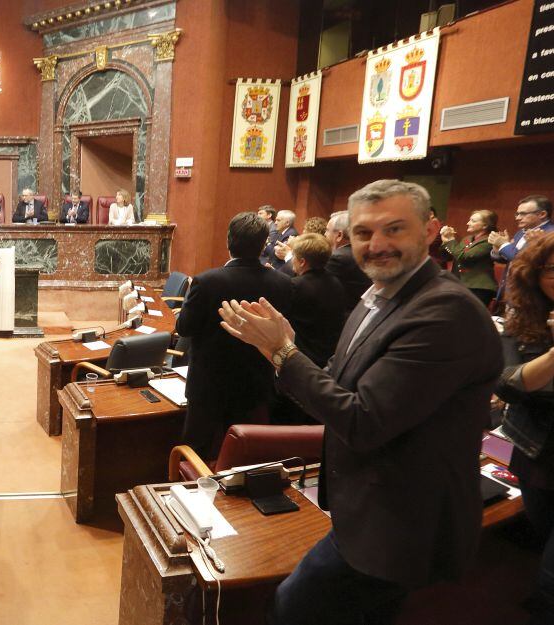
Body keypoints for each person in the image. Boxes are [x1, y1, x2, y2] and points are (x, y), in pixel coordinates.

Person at [218, 179, 503, 624]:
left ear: (430, 231)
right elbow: (338, 381)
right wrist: (289, 346)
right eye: (364, 232)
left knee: (293, 607)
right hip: (367, 506)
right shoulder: (379, 295)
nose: (377, 244)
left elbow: (363, 420)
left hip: (402, 521)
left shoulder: (445, 310)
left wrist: (281, 352)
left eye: (394, 229)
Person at [176, 211, 293, 458]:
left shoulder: (206, 281)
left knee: (197, 453)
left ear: (228, 240)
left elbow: (184, 328)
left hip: (208, 385)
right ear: (263, 244)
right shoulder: (283, 283)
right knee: (245, 457)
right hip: (255, 385)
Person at [495, 233, 554, 625]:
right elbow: (507, 385)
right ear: (535, 274)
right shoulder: (521, 321)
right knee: (543, 530)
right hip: (536, 454)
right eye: (552, 269)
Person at [287, 233, 347, 368]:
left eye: (293, 256)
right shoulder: (336, 282)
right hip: (330, 355)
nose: (292, 260)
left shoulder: (295, 286)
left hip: (304, 358)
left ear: (302, 262)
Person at [490, 195, 554, 308]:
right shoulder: (521, 232)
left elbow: (525, 261)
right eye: (517, 214)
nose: (518, 218)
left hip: (532, 298)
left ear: (542, 214)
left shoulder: (550, 235)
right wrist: (497, 249)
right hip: (511, 294)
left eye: (523, 214)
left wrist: (503, 245)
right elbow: (510, 259)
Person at [440, 209, 498, 305]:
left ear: (485, 225)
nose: (468, 223)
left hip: (478, 288)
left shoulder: (489, 241)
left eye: (473, 221)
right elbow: (453, 254)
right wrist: (445, 240)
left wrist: (450, 240)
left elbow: (464, 256)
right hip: (460, 284)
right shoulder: (467, 239)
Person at [324, 209, 372, 309]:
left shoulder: (337, 258)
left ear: (339, 235)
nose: (324, 234)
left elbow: (322, 291)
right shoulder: (362, 253)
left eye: (327, 230)